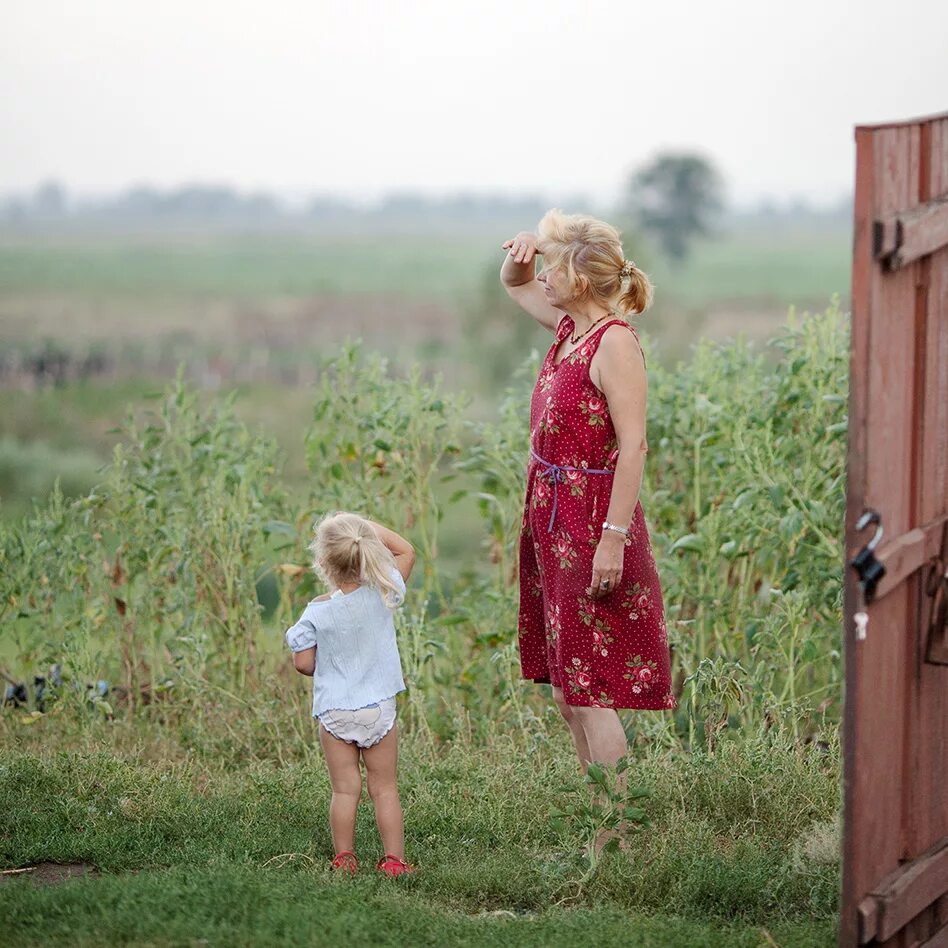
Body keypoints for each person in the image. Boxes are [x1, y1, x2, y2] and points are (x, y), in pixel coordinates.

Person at [501, 209, 674, 783]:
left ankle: (617, 839)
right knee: (569, 689)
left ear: (578, 276)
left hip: (592, 523)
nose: (544, 275)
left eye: (552, 264)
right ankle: (597, 826)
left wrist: (613, 541)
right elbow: (514, 283)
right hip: (554, 521)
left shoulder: (614, 343)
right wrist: (522, 252)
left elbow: (634, 447)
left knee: (591, 687)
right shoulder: (569, 330)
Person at [286, 512, 415, 877]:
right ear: (365, 552)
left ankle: (344, 859)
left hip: (336, 711)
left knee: (345, 791)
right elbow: (406, 551)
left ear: (324, 561)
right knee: (385, 788)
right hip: (378, 708)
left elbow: (304, 664)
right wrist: (364, 528)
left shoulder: (315, 612)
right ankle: (394, 862)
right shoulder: (384, 592)